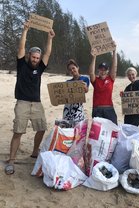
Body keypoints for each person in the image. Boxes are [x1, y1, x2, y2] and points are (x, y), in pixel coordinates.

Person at [5, 20, 55, 175]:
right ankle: (11, 161)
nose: (35, 60)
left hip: (37, 104)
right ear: (29, 56)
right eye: (33, 57)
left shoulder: (40, 68)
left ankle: (34, 152)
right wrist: (25, 30)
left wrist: (50, 38)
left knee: (41, 128)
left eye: (37, 58)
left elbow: (47, 53)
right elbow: (21, 47)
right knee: (18, 131)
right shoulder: (22, 65)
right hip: (22, 103)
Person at [89, 42, 118, 124]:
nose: (103, 71)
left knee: (114, 131)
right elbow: (91, 72)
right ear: (98, 70)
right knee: (97, 134)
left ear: (107, 71)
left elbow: (115, 66)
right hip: (97, 110)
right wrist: (94, 57)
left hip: (109, 109)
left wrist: (114, 52)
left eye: (105, 69)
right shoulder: (95, 80)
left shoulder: (111, 79)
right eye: (101, 69)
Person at [63, 59, 90, 126]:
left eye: (73, 68)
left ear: (77, 68)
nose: (72, 70)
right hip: (67, 108)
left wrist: (85, 87)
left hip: (78, 108)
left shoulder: (85, 78)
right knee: (68, 128)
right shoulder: (67, 82)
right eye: (70, 70)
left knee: (79, 128)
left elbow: (86, 91)